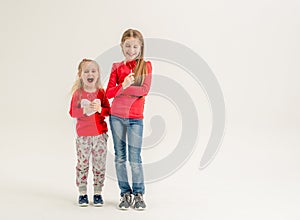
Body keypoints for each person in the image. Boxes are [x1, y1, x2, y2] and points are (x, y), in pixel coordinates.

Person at [106, 29, 152, 210]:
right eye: (127, 46)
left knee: (135, 158)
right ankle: (125, 193)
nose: (131, 50)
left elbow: (144, 90)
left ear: (140, 47)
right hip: (116, 117)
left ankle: (138, 194)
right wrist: (121, 86)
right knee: (119, 157)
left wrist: (123, 88)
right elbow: (108, 93)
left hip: (135, 119)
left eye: (134, 46)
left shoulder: (145, 66)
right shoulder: (116, 67)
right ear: (121, 46)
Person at [69, 59, 110, 207]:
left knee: (99, 164)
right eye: (86, 71)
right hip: (83, 136)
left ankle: (98, 193)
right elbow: (72, 112)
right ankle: (82, 193)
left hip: (99, 135)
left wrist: (100, 109)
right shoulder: (78, 94)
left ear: (98, 74)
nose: (90, 74)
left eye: (93, 71)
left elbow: (108, 111)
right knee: (83, 164)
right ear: (80, 75)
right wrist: (84, 111)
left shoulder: (101, 93)